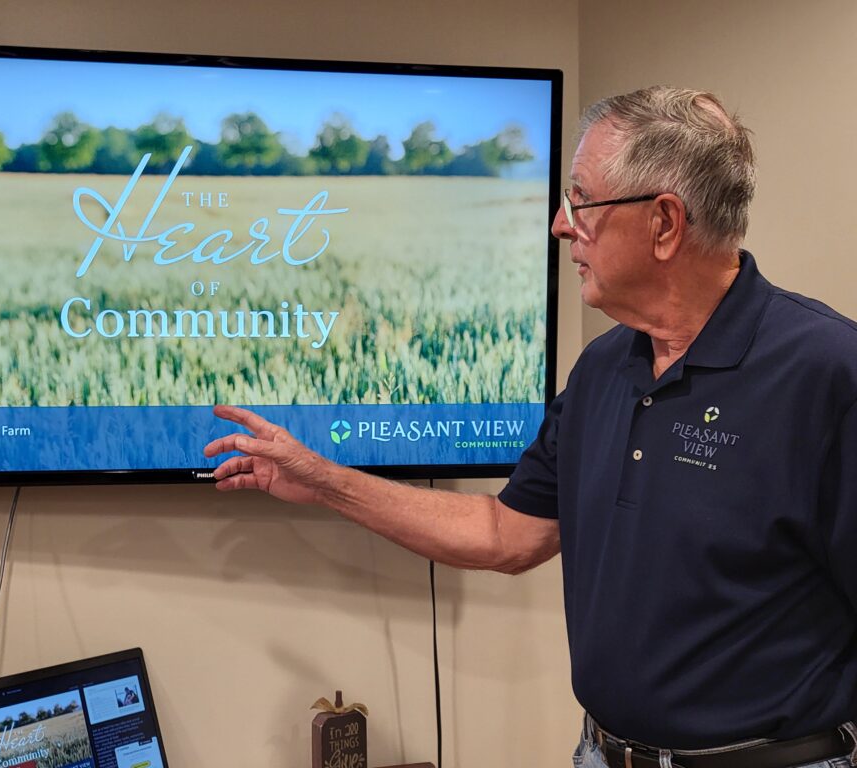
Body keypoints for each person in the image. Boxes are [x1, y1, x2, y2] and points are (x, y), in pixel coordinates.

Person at [204, 86, 857, 768]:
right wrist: (324, 480)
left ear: (664, 223)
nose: (560, 224)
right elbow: (505, 533)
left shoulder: (827, 374)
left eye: (581, 200)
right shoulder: (607, 365)